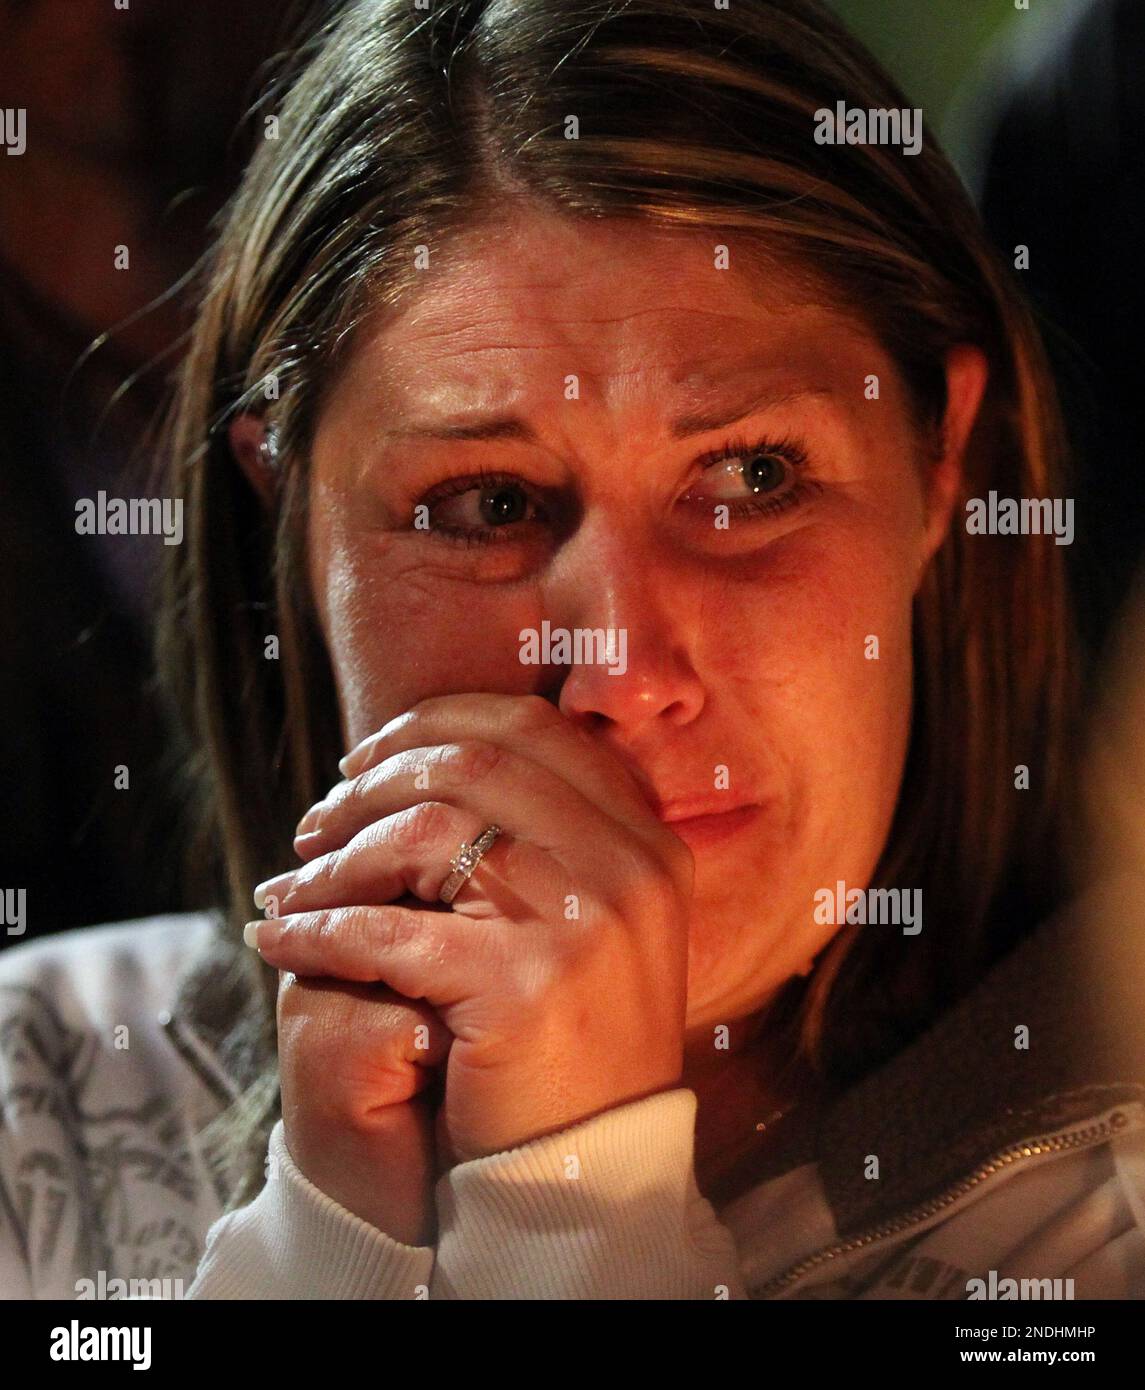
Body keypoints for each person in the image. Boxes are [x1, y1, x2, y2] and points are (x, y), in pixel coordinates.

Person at [2, 0, 1143, 1301]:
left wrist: (568, 1210)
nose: (615, 672)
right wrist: (324, 1245)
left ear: (939, 465)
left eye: (751, 475)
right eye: (489, 504)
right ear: (289, 518)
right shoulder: (32, 1091)